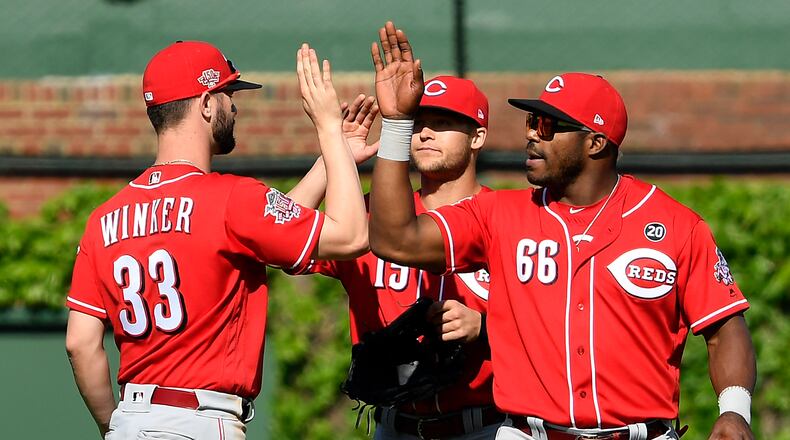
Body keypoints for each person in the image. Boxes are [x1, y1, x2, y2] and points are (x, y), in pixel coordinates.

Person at [367, 21, 757, 440]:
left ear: (595, 142)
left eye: (549, 125)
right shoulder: (499, 213)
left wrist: (735, 411)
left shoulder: (677, 225)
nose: (533, 134)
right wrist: (396, 125)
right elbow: (396, 240)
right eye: (532, 121)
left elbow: (724, 326)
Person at [64, 40, 368, 439]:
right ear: (206, 104)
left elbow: (80, 344)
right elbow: (350, 236)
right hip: (201, 421)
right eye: (227, 94)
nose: (234, 106)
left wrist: (114, 426)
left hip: (133, 421)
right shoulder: (231, 198)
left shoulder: (103, 218)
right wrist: (329, 130)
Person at [288, 71, 504, 440]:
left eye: (443, 123)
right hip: (395, 426)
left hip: (486, 426)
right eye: (418, 122)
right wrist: (333, 157)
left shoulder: (507, 218)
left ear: (477, 137)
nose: (425, 133)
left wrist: (485, 327)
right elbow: (282, 235)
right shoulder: (372, 219)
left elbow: (551, 327)